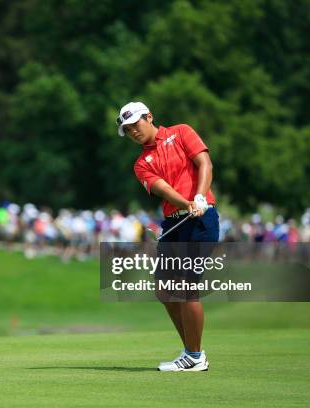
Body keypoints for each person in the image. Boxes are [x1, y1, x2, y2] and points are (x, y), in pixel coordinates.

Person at [117, 101, 219, 372]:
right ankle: (193, 353)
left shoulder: (181, 132)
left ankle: (194, 357)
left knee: (187, 286)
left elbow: (204, 162)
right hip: (175, 224)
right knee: (164, 289)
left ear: (149, 117)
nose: (133, 132)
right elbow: (163, 189)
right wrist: (187, 204)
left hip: (202, 220)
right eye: (127, 130)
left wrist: (199, 197)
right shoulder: (141, 164)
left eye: (135, 124)